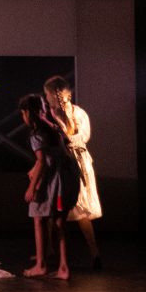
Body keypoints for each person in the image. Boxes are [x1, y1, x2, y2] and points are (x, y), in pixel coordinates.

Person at [46, 75, 103, 269]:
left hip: (74, 163)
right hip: (62, 162)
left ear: (55, 95)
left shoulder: (76, 114)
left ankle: (93, 252)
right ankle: (53, 252)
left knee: (76, 208)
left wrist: (65, 130)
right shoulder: (51, 115)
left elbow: (80, 137)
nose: (46, 98)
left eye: (48, 94)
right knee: (56, 208)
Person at [20, 92, 76, 280]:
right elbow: (56, 153)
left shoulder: (36, 134)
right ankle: (63, 267)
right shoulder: (54, 128)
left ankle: (40, 265)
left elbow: (42, 161)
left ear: (27, 112)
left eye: (23, 113)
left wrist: (32, 187)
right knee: (60, 223)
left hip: (51, 181)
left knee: (38, 218)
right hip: (66, 179)